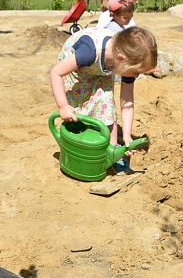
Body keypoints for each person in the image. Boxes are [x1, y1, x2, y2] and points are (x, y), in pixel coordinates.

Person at [50, 26, 158, 174]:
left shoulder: (123, 59)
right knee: (78, 108)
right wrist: (63, 106)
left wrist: (127, 135)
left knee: (106, 103)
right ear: (121, 60)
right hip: (76, 69)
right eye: (136, 72)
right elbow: (56, 72)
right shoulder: (89, 52)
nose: (136, 76)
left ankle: (110, 153)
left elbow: (127, 101)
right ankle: (81, 146)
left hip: (104, 66)